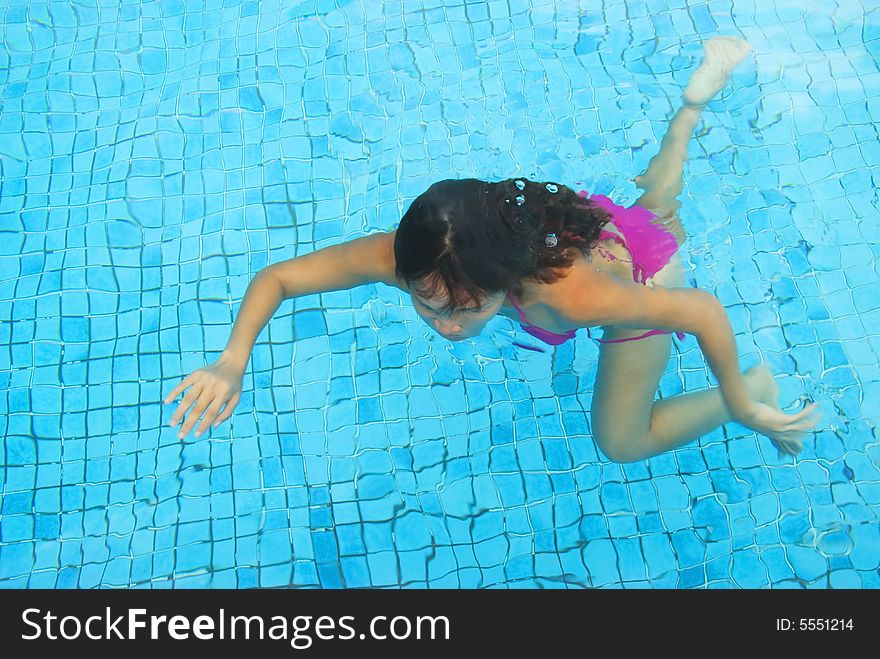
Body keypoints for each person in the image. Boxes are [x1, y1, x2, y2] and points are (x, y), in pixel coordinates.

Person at [165, 37, 821, 463]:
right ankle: (689, 111)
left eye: (465, 309)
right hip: (597, 231)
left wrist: (740, 399)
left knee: (621, 441)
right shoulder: (419, 260)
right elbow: (277, 277)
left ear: (507, 282)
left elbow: (702, 309)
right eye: (427, 304)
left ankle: (761, 381)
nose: (445, 323)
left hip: (640, 278)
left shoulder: (577, 295)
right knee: (653, 211)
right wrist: (232, 358)